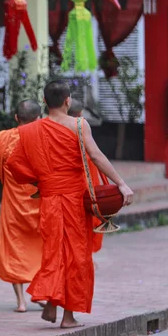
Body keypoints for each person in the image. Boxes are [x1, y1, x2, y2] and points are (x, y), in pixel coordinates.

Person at [7, 80, 134, 328]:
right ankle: (68, 316)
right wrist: (121, 183)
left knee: (55, 253)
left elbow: (14, 165)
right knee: (76, 256)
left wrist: (41, 181)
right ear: (68, 100)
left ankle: (53, 303)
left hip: (51, 200)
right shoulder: (78, 124)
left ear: (44, 101)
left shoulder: (30, 130)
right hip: (76, 200)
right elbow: (96, 155)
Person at [0, 99, 44, 313]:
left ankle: (21, 301)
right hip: (38, 201)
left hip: (13, 201)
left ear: (16, 118)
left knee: (15, 248)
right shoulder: (43, 139)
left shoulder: (2, 138)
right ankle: (40, 293)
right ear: (39, 119)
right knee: (42, 249)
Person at [67, 99, 104, 258]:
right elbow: (95, 158)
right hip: (85, 192)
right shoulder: (82, 130)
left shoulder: (52, 130)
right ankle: (84, 257)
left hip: (64, 193)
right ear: (81, 115)